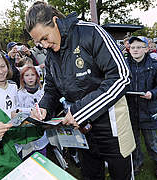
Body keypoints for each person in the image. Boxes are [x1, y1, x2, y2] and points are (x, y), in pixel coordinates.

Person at [25, 2, 135, 180]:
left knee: (121, 175)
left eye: (45, 38)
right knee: (90, 174)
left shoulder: (91, 32)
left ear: (55, 21)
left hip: (112, 125)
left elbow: (121, 77)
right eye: (39, 42)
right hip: (82, 130)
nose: (44, 45)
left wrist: (80, 111)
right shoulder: (51, 54)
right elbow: (52, 89)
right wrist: (44, 107)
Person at [126, 36, 157, 179]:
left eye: (139, 47)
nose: (135, 50)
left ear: (146, 49)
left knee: (151, 142)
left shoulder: (154, 66)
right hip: (131, 111)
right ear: (129, 49)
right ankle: (137, 162)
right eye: (133, 47)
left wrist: (152, 93)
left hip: (148, 110)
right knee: (134, 141)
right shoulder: (124, 65)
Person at [17, 65, 49, 158]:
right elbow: (18, 111)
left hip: (41, 132)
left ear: (37, 77)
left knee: (43, 156)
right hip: (28, 133)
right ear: (22, 78)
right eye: (27, 75)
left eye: (32, 75)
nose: (30, 78)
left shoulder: (42, 91)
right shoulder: (19, 94)